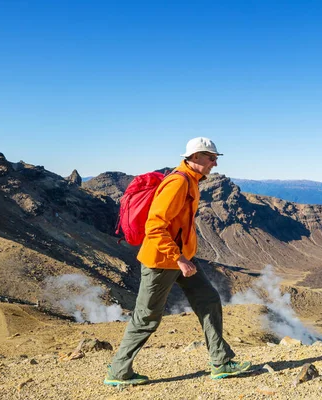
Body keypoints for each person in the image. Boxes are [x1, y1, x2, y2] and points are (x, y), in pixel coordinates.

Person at [104, 137, 251, 386]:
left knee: (208, 300)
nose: (215, 163)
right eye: (210, 158)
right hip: (162, 260)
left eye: (216, 158)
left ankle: (221, 362)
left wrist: (184, 256)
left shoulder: (191, 180)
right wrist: (179, 258)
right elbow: (154, 226)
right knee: (146, 318)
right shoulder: (178, 183)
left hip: (181, 258)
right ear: (194, 157)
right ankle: (118, 372)